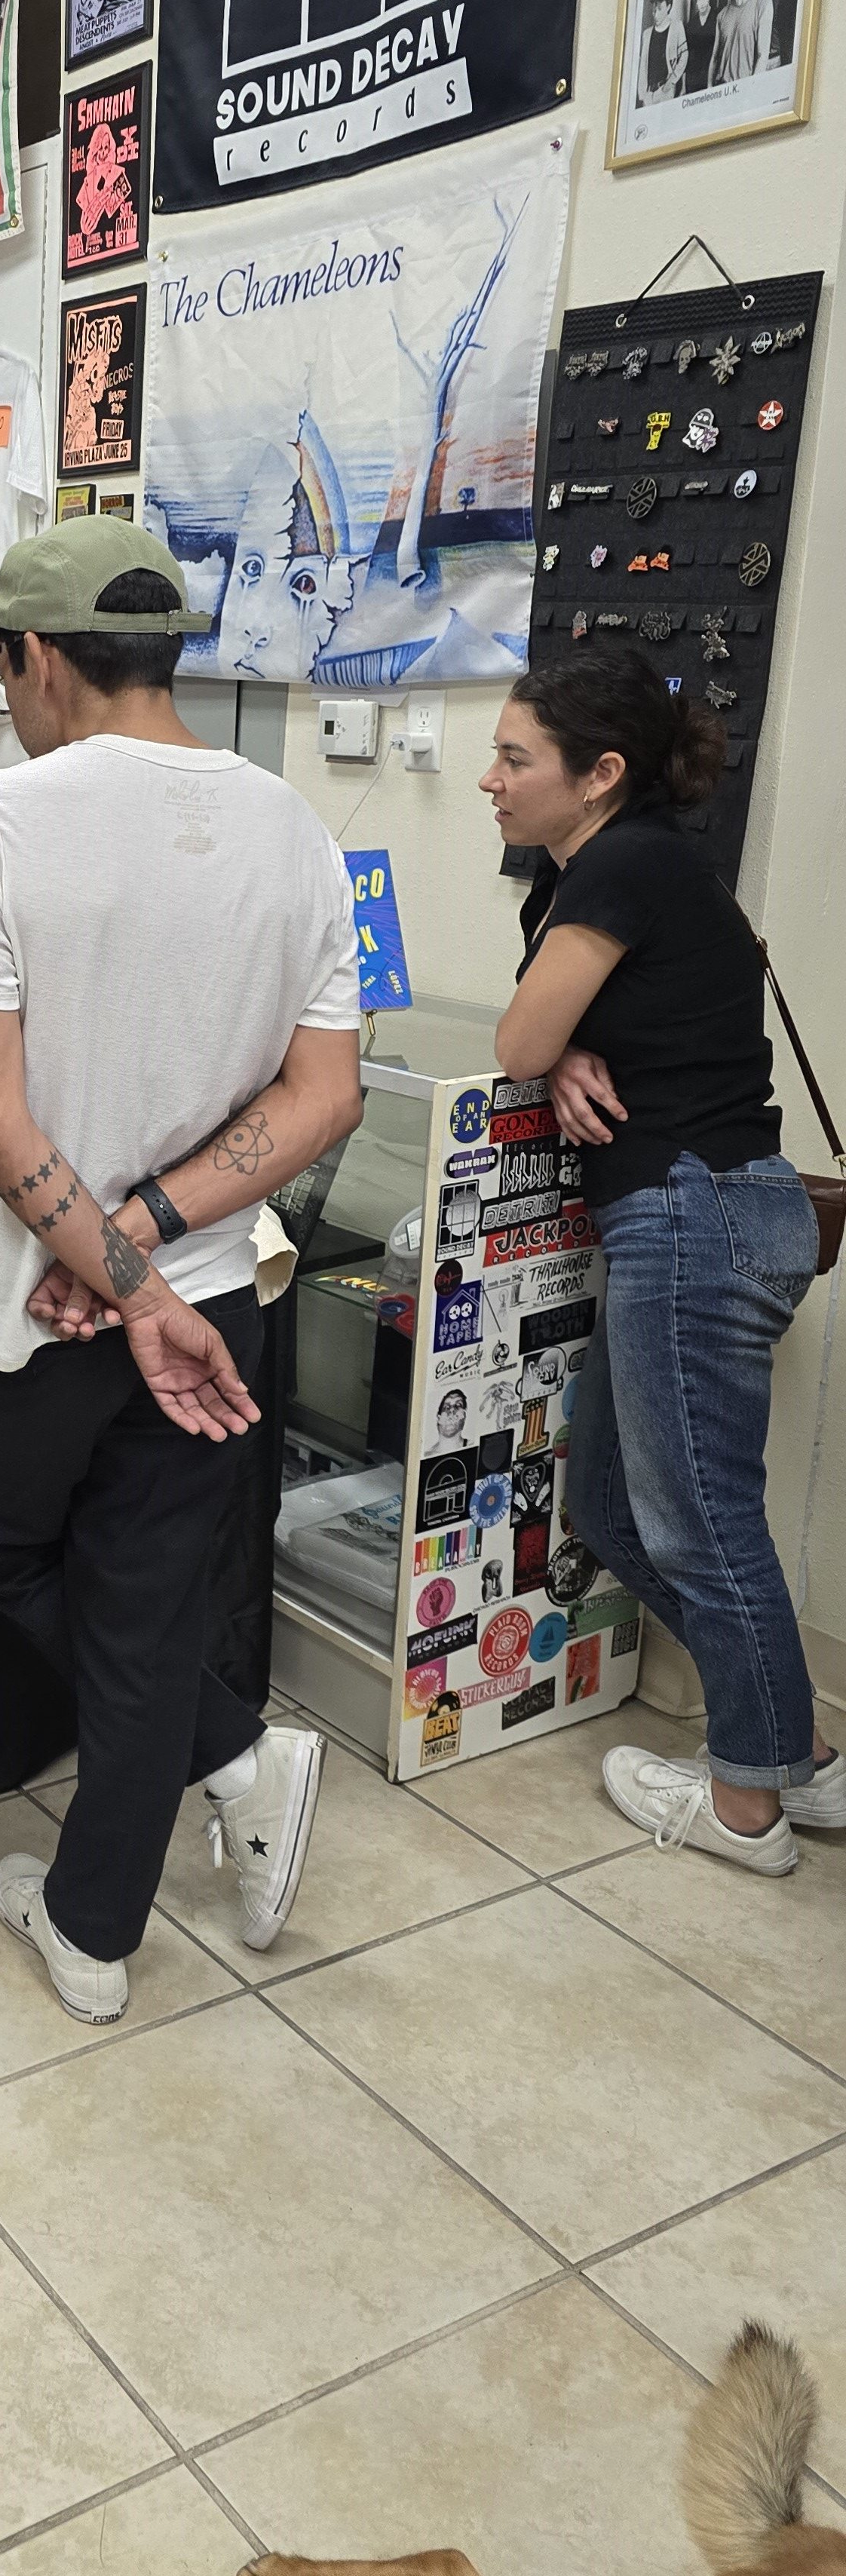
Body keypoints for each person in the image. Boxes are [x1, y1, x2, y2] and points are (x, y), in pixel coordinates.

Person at [0, 516, 365, 2024]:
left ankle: (199, 1792)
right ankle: (117, 1898)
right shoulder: (293, 825)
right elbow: (323, 1094)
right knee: (149, 1590)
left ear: (35, 657)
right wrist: (154, 1249)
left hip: (51, 1302)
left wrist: (111, 1266)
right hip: (217, 1295)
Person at [482, 651, 832, 1872]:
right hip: (717, 1210)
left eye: (517, 759)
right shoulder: (605, 874)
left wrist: (554, 1049)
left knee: (698, 1527)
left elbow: (524, 1029)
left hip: (695, 1219)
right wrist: (567, 1055)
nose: (492, 780)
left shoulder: (625, 862)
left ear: (601, 776)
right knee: (615, 1511)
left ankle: (747, 1809)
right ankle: (795, 1751)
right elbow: (558, 1037)